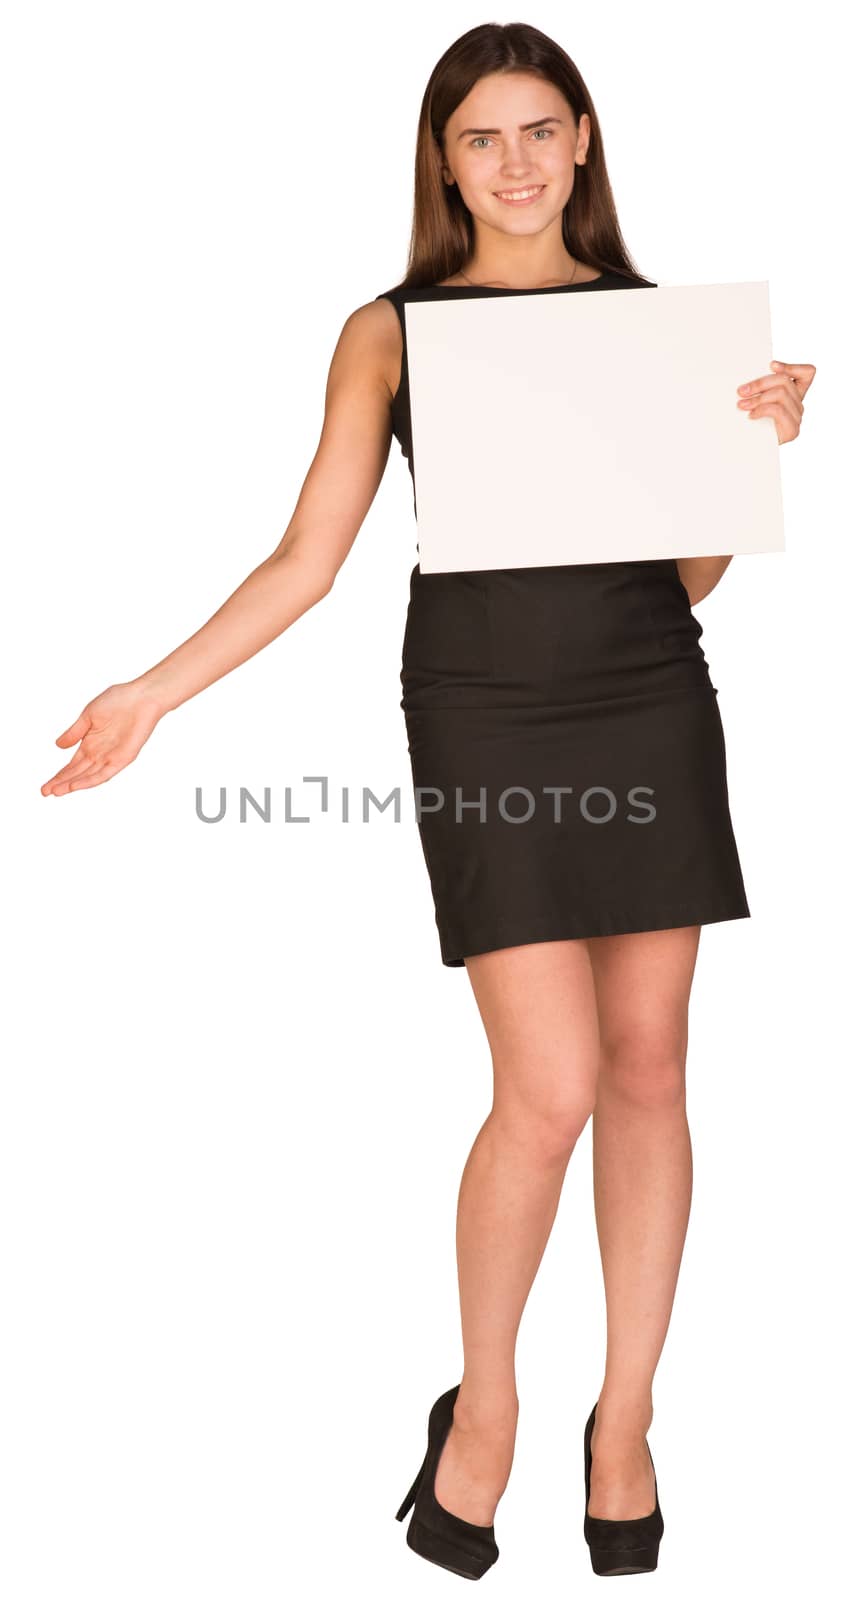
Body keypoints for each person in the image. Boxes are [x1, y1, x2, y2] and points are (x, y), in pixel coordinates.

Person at [41, 20, 815, 1582]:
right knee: (550, 1087)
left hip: (648, 696)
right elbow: (307, 561)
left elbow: (685, 579)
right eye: (483, 137)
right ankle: (487, 1412)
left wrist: (747, 453)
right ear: (443, 159)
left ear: (584, 144)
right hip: (486, 710)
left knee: (651, 1067)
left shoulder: (657, 327)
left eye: (542, 131)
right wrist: (150, 693)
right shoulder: (391, 332)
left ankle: (627, 1420)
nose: (516, 164)